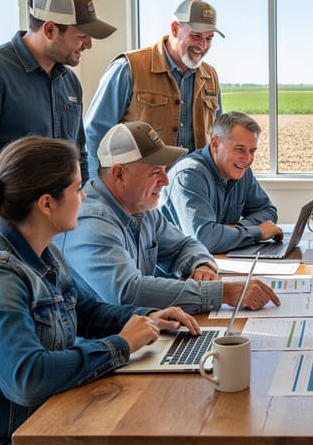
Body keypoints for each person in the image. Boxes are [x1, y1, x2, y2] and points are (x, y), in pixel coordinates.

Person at [0, 136, 200, 444]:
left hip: (45, 419)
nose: (84, 197)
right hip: (1, 437)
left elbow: (85, 311)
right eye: (76, 188)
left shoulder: (44, 251)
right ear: (46, 204)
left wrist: (149, 317)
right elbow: (27, 378)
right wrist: (121, 344)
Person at [0, 0, 116, 258]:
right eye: (82, 35)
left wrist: (82, 210)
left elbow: (77, 152)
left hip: (52, 233)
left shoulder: (69, 82)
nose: (89, 44)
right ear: (50, 29)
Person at [57, 121, 279, 315]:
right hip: (100, 347)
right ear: (119, 174)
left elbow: (185, 245)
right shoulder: (93, 221)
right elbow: (129, 292)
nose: (165, 180)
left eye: (165, 170)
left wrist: (201, 265)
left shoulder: (142, 208)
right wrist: (223, 292)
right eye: (155, 172)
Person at [84, 0, 224, 177]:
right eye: (196, 36)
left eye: (209, 38)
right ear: (175, 29)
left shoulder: (211, 76)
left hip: (192, 188)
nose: (202, 45)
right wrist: (97, 187)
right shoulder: (128, 68)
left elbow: (218, 139)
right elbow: (96, 131)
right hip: (138, 190)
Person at [160, 111, 283, 253]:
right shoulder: (189, 175)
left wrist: (239, 227)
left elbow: (268, 211)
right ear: (215, 144)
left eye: (252, 151)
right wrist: (257, 232)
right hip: (178, 272)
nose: (248, 159)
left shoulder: (242, 172)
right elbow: (205, 239)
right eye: (240, 149)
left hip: (213, 263)